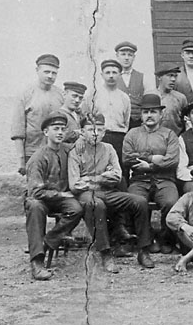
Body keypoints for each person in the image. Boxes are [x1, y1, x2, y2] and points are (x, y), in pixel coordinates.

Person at [68, 113, 155, 272]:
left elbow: (116, 176)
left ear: (104, 132)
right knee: (97, 205)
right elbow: (75, 185)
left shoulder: (108, 149)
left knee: (140, 202)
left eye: (100, 130)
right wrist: (103, 176)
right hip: (87, 195)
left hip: (107, 192)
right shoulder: (76, 152)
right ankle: (105, 253)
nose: (95, 134)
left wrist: (91, 178)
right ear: (83, 132)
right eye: (91, 130)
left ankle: (144, 250)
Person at [24, 112, 83, 280]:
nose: (60, 132)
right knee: (35, 207)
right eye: (56, 129)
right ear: (45, 132)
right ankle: (37, 262)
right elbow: (35, 191)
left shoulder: (68, 151)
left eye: (63, 129)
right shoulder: (38, 157)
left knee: (76, 209)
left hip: (60, 199)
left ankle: (48, 242)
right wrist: (60, 194)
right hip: (41, 198)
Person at [122, 93, 180, 253]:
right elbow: (127, 158)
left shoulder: (169, 134)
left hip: (164, 179)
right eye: (146, 112)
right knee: (135, 200)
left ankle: (165, 239)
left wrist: (148, 166)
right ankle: (145, 240)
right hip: (140, 180)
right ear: (141, 115)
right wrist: (152, 158)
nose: (149, 115)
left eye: (153, 111)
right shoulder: (132, 134)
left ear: (161, 114)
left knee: (170, 202)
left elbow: (172, 160)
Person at [12, 54, 64, 174]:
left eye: (54, 73)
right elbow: (18, 130)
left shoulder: (60, 95)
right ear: (37, 70)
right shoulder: (25, 94)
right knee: (35, 184)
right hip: (33, 152)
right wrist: (21, 160)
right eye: (46, 72)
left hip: (56, 152)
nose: (50, 76)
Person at [88, 59, 131, 166]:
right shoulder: (94, 95)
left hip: (119, 138)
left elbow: (126, 121)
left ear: (120, 75)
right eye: (107, 72)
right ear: (102, 75)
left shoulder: (124, 97)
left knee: (119, 168)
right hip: (100, 138)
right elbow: (87, 117)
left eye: (114, 72)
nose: (111, 76)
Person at [115, 41, 155, 129]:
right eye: (123, 54)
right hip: (118, 123)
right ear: (117, 56)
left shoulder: (143, 77)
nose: (126, 58)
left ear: (134, 57)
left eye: (130, 55)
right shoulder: (112, 78)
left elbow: (149, 101)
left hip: (138, 123)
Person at [155, 65, 188, 135]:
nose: (173, 79)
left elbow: (185, 121)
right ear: (159, 77)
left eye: (175, 76)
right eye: (170, 75)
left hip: (175, 137)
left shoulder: (180, 98)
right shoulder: (151, 96)